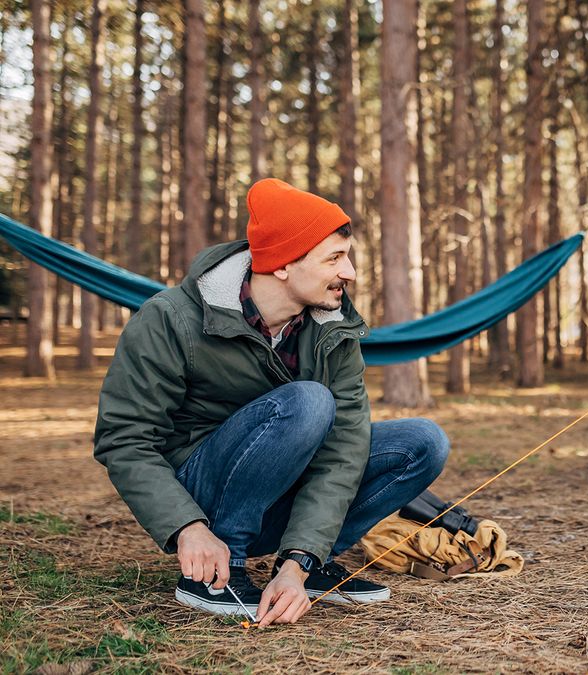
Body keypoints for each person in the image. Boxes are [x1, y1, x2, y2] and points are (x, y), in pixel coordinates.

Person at [94, 178, 450, 627]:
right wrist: (188, 527)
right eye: (335, 258)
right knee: (308, 402)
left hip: (280, 493)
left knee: (422, 442)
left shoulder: (332, 330)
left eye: (349, 256)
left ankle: (310, 566)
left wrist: (297, 562)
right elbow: (123, 439)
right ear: (283, 265)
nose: (350, 273)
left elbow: (344, 453)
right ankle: (218, 571)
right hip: (199, 491)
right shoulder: (171, 319)